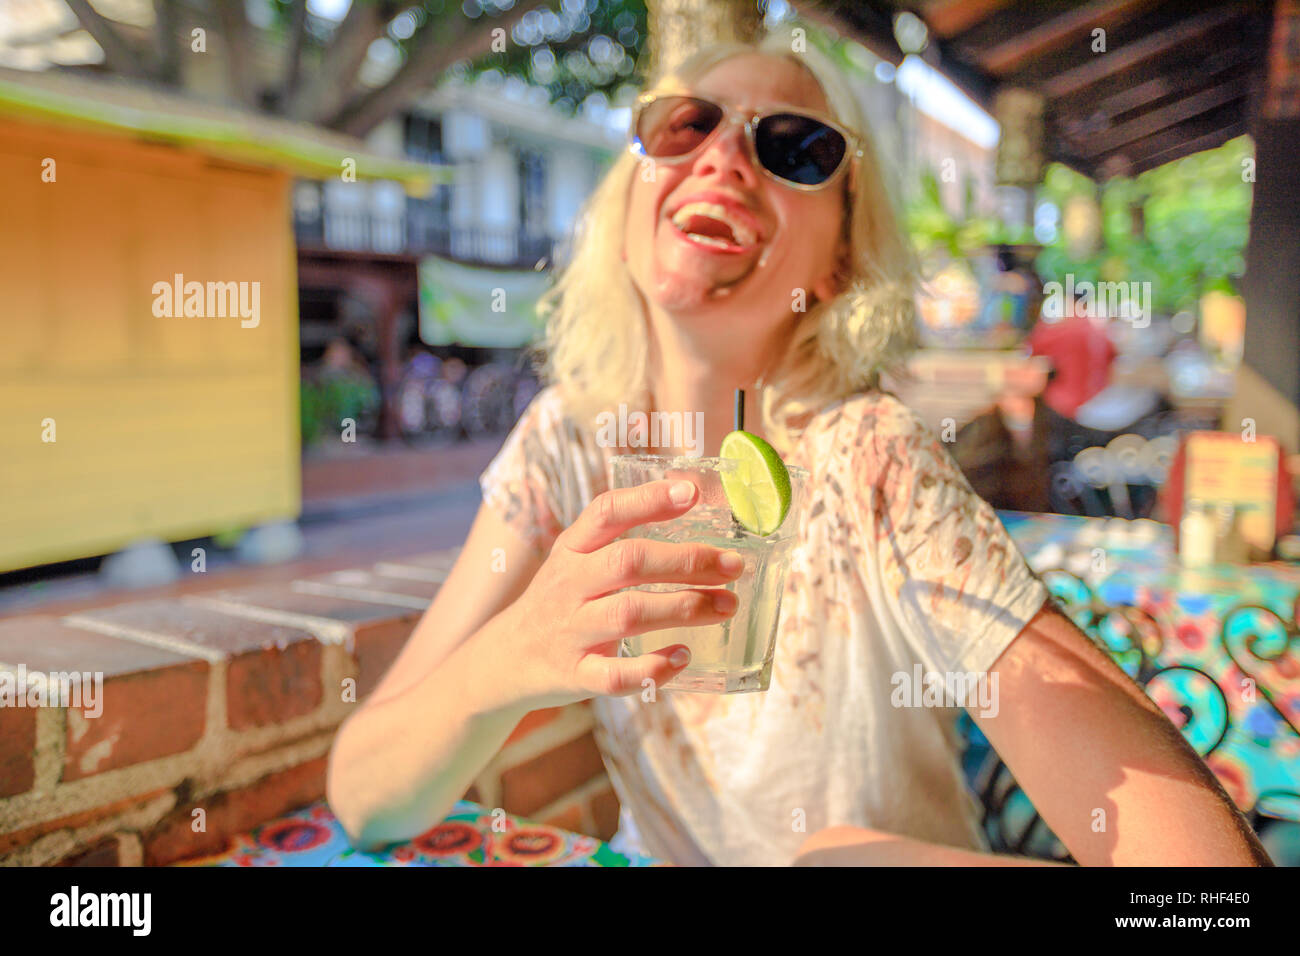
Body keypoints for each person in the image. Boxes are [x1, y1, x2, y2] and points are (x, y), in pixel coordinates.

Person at [326, 38, 1271, 867]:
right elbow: (367, 798)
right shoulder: (567, 444)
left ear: (839, 261)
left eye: (793, 149)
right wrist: (518, 653)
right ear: (628, 201)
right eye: (683, 125)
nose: (726, 155)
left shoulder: (875, 458)